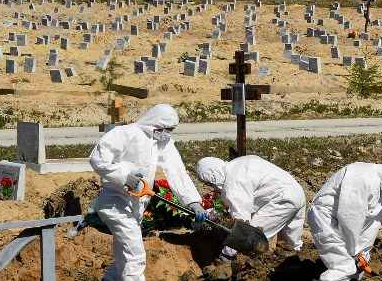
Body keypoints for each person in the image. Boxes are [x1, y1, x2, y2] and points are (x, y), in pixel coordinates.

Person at [90, 104, 207, 281]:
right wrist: (124, 176)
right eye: (167, 129)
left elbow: (176, 171)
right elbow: (97, 159)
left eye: (171, 130)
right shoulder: (124, 134)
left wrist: (193, 201)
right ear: (155, 124)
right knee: (135, 256)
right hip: (115, 203)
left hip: (136, 205)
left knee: (124, 255)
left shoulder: (161, 141)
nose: (168, 134)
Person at [308, 162, 382, 281]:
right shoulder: (363, 177)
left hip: (338, 222)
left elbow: (370, 224)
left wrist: (363, 254)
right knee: (344, 268)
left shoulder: (378, 184)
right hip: (326, 220)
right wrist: (356, 251)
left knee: (355, 270)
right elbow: (349, 217)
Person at [196, 155, 306, 260]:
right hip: (297, 192)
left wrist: (226, 255)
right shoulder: (237, 164)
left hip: (282, 200)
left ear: (213, 177)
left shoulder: (233, 184)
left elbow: (242, 228)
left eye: (210, 183)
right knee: (292, 244)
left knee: (253, 237)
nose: (212, 187)